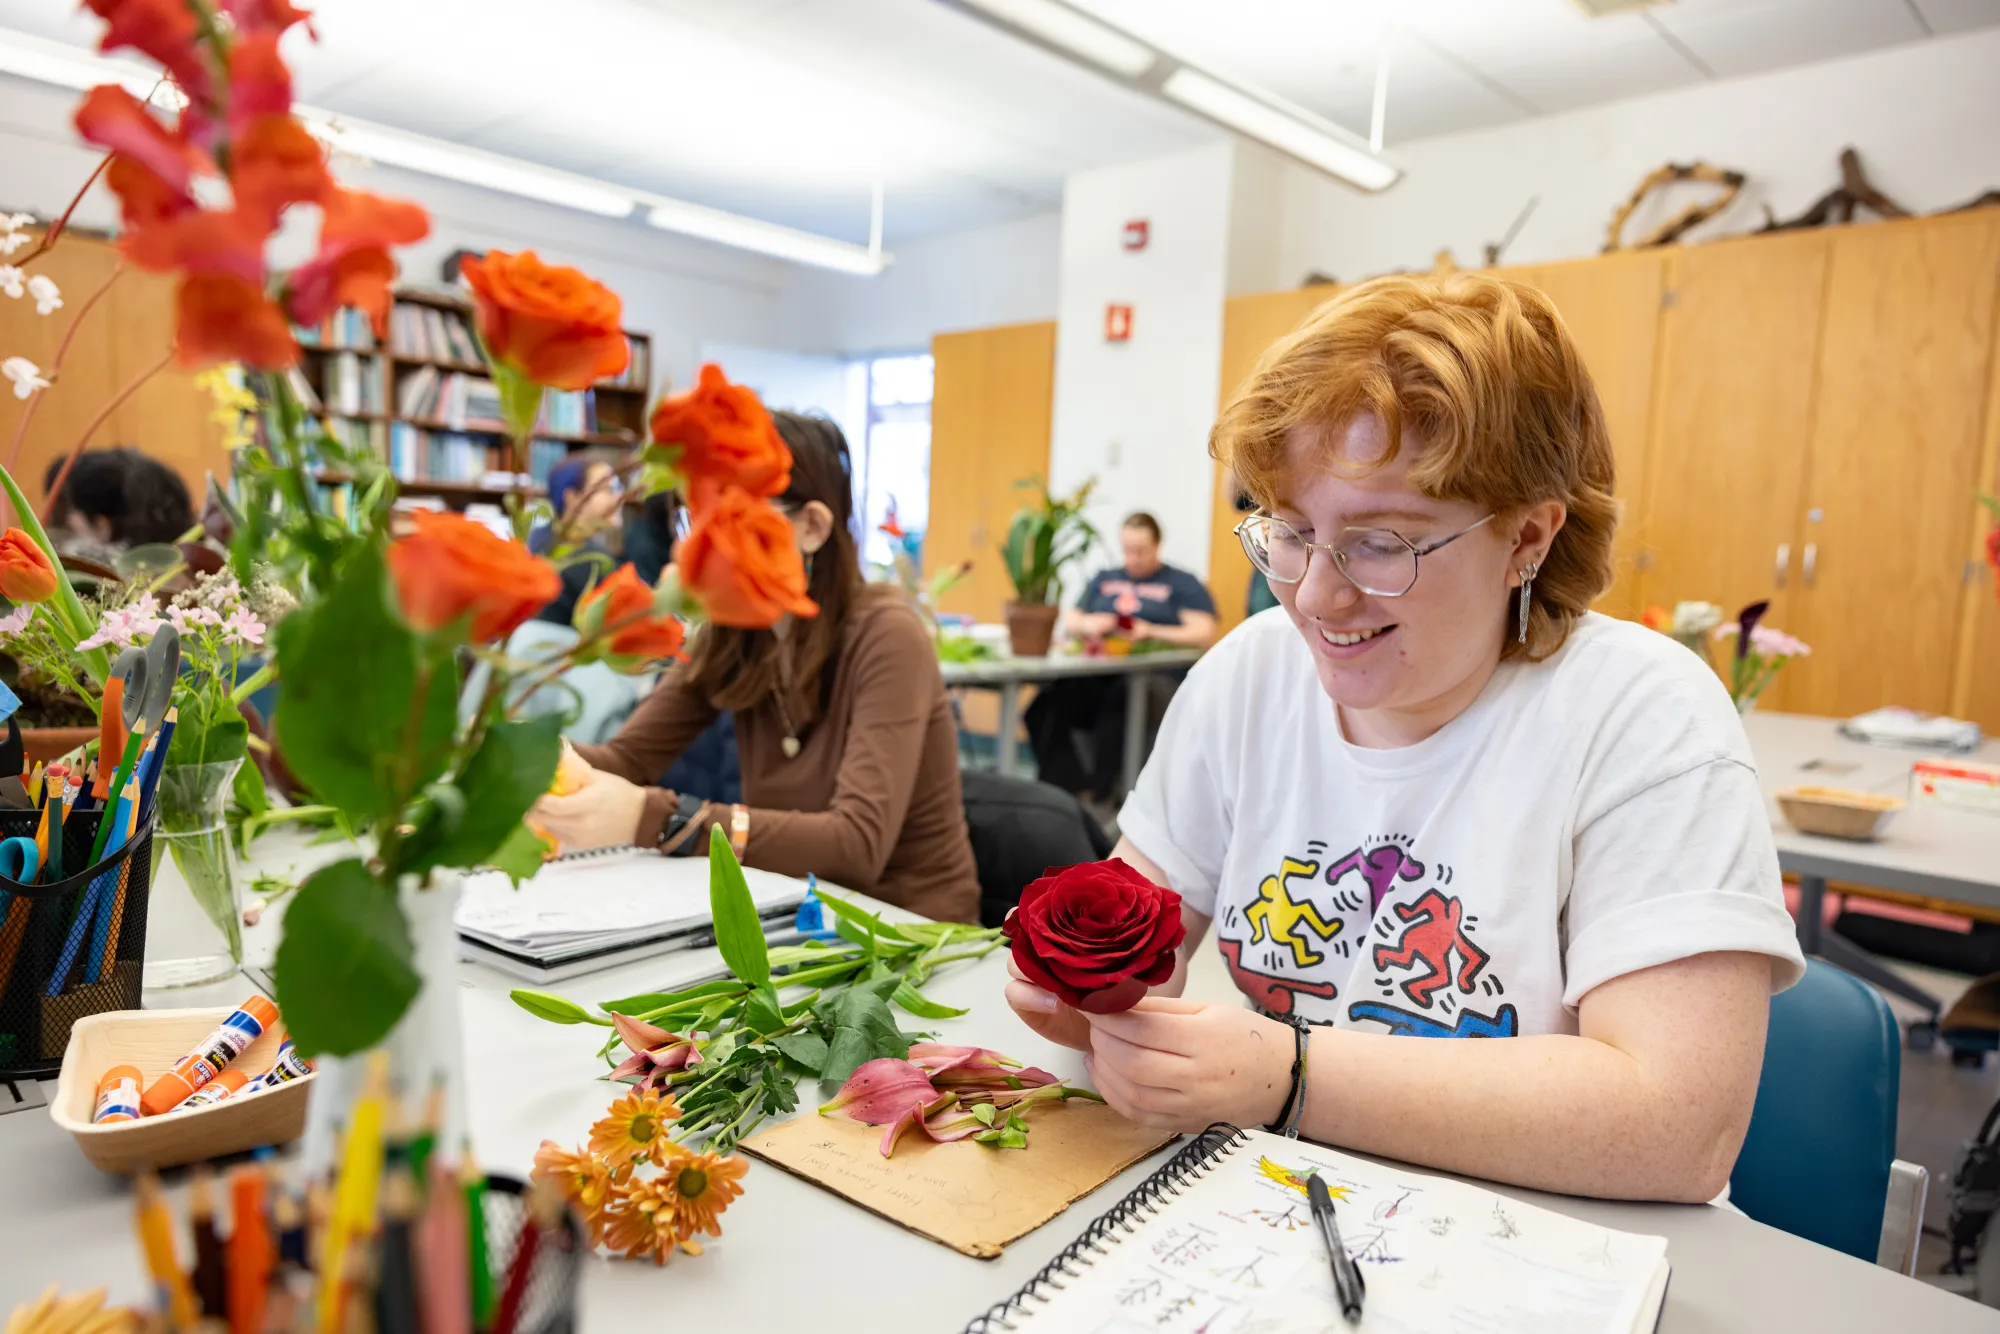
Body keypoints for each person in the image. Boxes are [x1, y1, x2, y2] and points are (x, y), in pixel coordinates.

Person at [1007, 272, 1805, 1203]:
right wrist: (1086, 1004)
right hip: (1285, 1207)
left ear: (1527, 539)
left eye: (1381, 543)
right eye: (1292, 532)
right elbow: (1136, 943)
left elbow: (1676, 1128)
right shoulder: (1251, 673)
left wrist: (1290, 1075)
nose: (1315, 596)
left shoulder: (1642, 716)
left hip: (1553, 1240)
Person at [528, 412, 980, 924]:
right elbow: (626, 759)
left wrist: (657, 819)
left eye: (730, 520)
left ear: (812, 527)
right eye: (694, 520)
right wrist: (530, 756)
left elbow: (856, 845)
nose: (695, 547)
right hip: (799, 916)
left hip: (907, 929)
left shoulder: (888, 635)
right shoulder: (736, 633)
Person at [1025, 512, 1217, 802]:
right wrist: (1090, 624)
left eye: (1141, 550)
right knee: (1045, 703)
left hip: (1155, 679)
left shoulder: (1181, 583)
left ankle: (1102, 795)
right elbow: (1072, 617)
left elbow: (1204, 631)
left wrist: (1149, 630)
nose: (1134, 557)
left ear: (1157, 545)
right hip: (1099, 674)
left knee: (1122, 697)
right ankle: (1067, 791)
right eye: (1128, 549)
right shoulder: (1105, 578)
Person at [42, 447, 195, 565]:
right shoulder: (186, 551)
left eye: (73, 511)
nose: (70, 519)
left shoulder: (99, 571)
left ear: (102, 524)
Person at [529, 451, 625, 627]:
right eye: (608, 489)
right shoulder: (590, 559)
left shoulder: (539, 537)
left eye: (619, 488)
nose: (619, 497)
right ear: (573, 498)